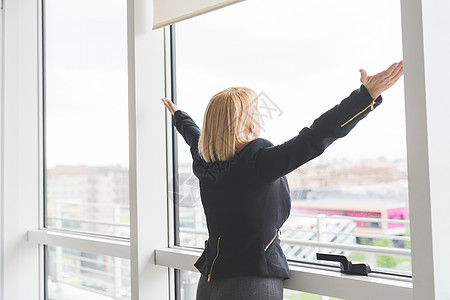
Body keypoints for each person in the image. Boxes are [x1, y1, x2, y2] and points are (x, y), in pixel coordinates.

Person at [162, 61, 403, 300]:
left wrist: (178, 116)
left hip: (209, 281)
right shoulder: (258, 164)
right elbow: (317, 135)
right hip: (251, 282)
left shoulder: (204, 161)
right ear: (249, 125)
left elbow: (193, 135)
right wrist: (366, 96)